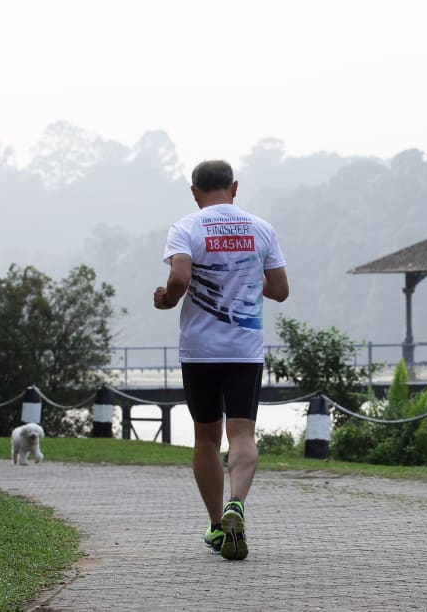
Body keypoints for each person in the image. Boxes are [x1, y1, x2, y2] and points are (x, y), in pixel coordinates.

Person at [153, 160, 289, 560]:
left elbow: (179, 277)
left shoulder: (186, 228)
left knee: (206, 439)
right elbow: (280, 290)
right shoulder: (261, 228)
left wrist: (168, 299)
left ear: (194, 192)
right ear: (234, 187)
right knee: (243, 435)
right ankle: (237, 504)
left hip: (200, 350)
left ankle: (217, 526)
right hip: (244, 350)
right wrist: (245, 275)